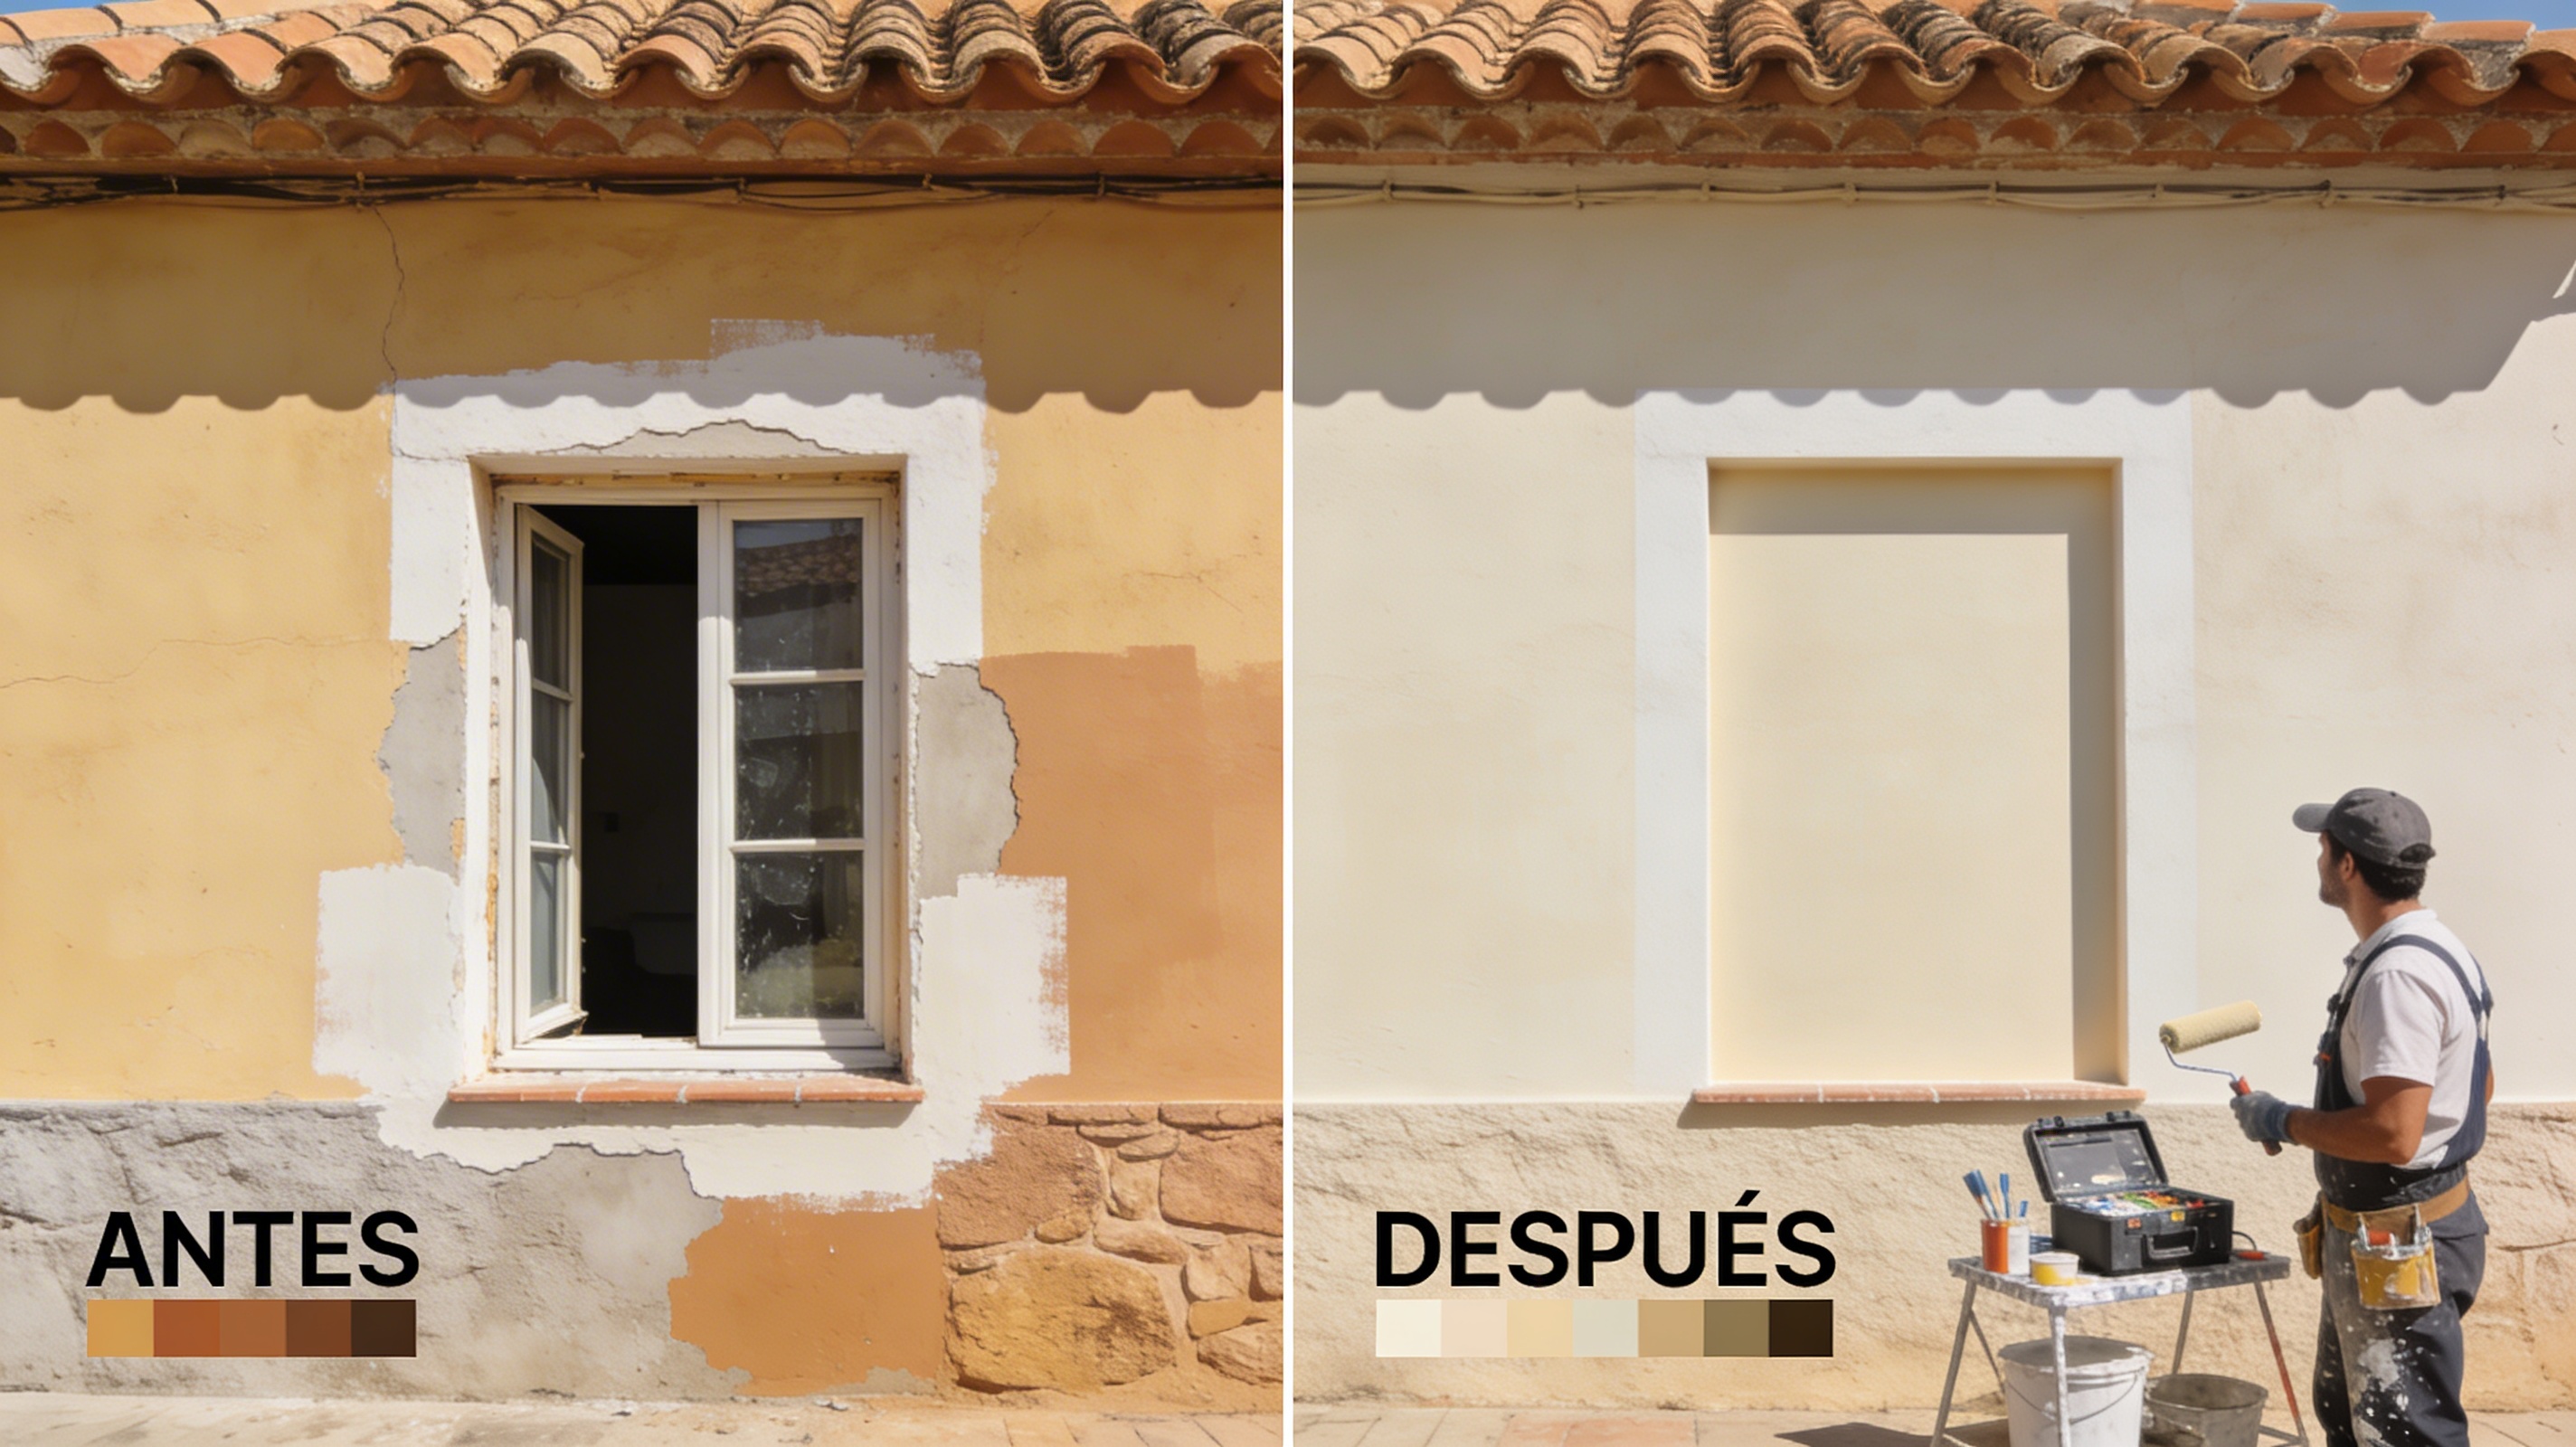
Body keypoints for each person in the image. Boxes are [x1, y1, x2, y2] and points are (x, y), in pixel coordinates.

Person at [2232, 788, 2494, 1447]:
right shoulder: (2436, 949)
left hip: (2401, 1241)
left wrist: (2283, 1121)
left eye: (2324, 848)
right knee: (2353, 1415)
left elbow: (2393, 1132)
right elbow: (2479, 1085)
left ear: (2347, 865)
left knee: (2404, 1432)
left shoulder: (2396, 976)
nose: (2320, 859)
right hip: (2393, 1234)